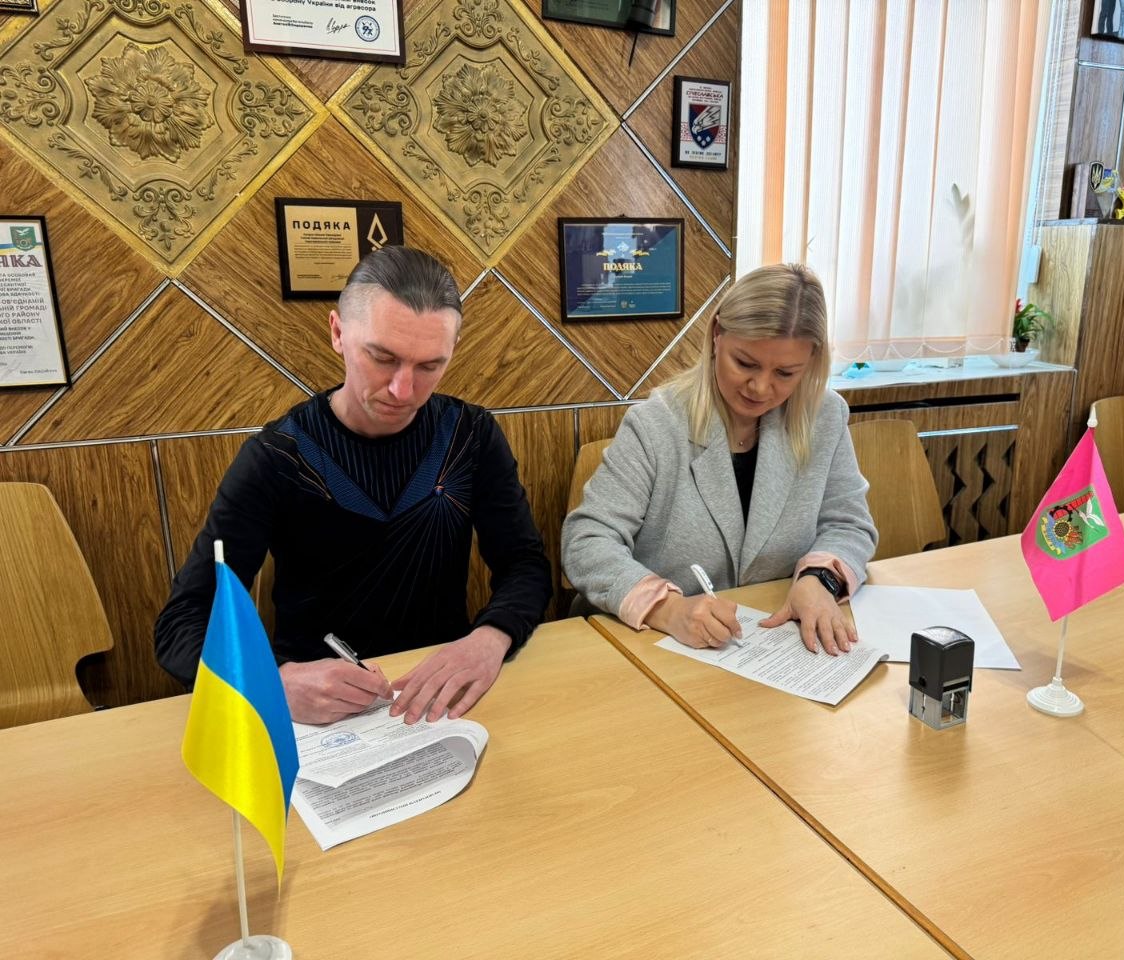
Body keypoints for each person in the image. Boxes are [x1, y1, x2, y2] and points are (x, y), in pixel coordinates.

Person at [155, 246, 552, 725]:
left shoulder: (469, 435)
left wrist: (490, 638)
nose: (403, 390)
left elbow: (524, 565)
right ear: (338, 333)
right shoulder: (277, 456)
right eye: (382, 357)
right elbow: (184, 621)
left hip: (440, 694)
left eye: (430, 366)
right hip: (316, 715)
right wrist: (268, 682)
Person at [562, 263, 877, 655]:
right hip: (653, 646)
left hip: (772, 644)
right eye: (745, 363)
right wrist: (666, 608)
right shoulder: (657, 423)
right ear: (716, 336)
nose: (760, 387)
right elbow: (587, 542)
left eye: (786, 373)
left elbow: (848, 524)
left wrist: (818, 580)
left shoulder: (824, 416)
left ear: (811, 363)